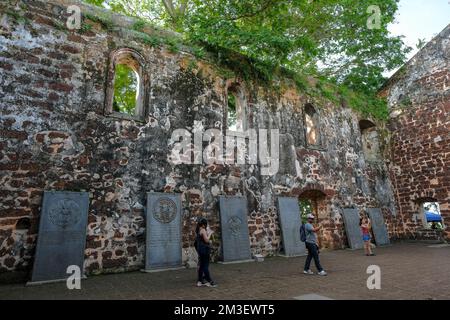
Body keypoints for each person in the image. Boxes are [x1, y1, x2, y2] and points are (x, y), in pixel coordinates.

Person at [195, 218, 217, 287]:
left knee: (201, 265)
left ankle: (200, 280)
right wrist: (210, 233)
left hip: (200, 250)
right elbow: (207, 240)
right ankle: (210, 280)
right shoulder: (203, 230)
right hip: (204, 250)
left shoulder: (198, 230)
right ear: (204, 225)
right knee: (205, 266)